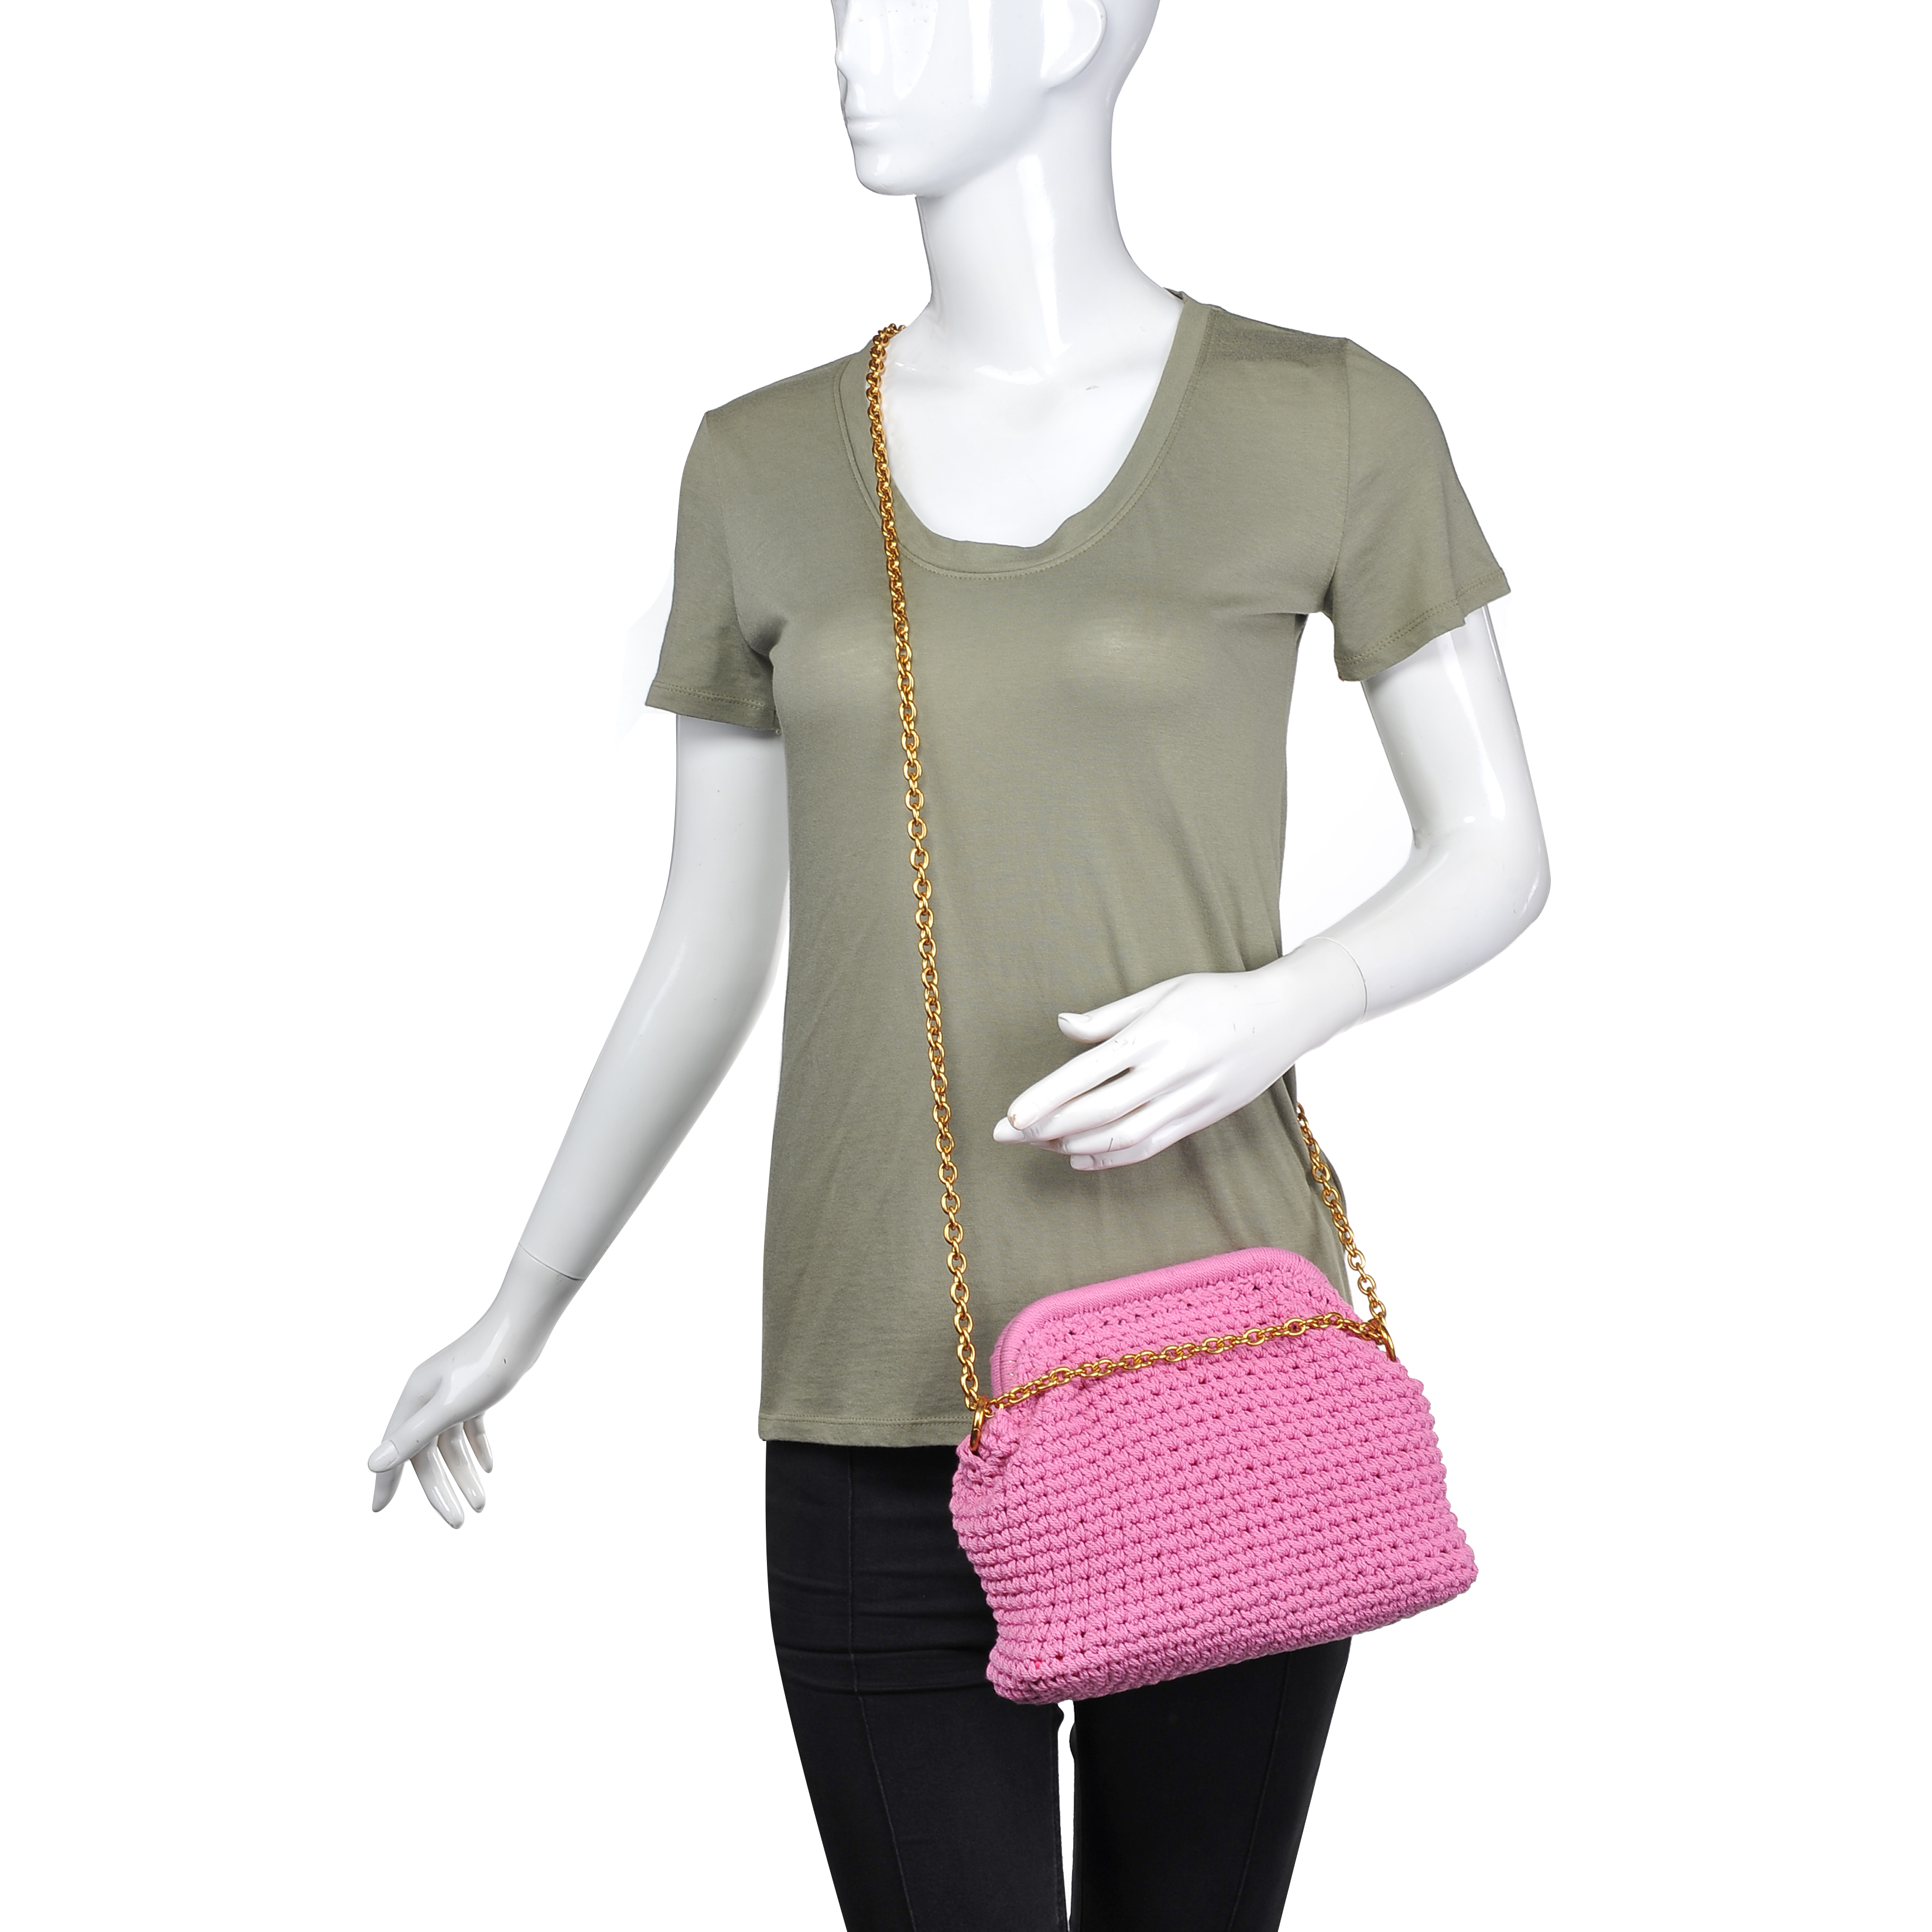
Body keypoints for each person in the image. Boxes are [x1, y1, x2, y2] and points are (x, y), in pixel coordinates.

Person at [367, 4, 1549, 1926]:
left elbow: (1494, 846)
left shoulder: (1328, 418)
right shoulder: (757, 463)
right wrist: (525, 1299)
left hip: (1209, 1355)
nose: (852, 49)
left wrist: (1282, 1002)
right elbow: (706, 936)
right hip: (869, 1388)